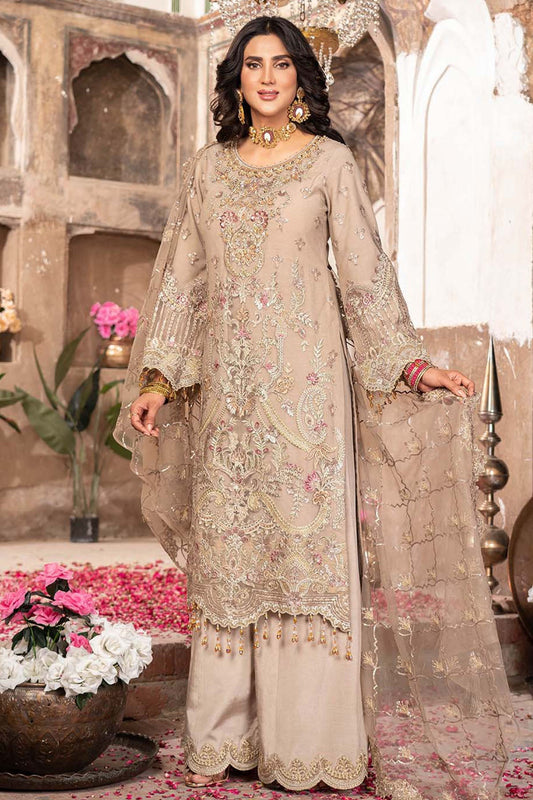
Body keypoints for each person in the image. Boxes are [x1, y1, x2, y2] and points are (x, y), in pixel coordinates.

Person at [114, 15, 517, 799]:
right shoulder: (207, 170)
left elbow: (363, 277)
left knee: (302, 551)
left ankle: (308, 742)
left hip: (308, 394)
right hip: (230, 394)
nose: (267, 78)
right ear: (236, 80)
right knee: (234, 551)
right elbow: (183, 282)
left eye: (282, 65)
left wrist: (408, 362)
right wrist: (159, 380)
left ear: (301, 79)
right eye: (253, 65)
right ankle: (225, 732)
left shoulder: (330, 165)